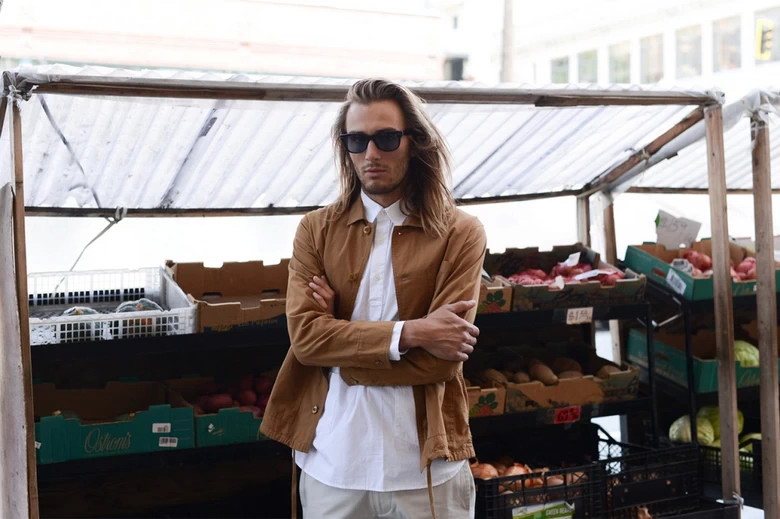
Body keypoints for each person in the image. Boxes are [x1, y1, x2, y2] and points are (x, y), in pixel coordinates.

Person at [260, 78, 487, 519]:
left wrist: (341, 349)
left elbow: (442, 362)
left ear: (414, 142)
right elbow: (306, 341)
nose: (370, 154)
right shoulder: (316, 230)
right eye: (356, 140)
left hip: (427, 470)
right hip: (332, 464)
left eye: (386, 138)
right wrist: (414, 333)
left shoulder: (460, 232)